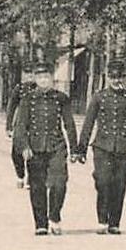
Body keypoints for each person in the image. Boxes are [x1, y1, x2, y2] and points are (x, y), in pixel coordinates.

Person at [77, 60, 126, 234]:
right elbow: (88, 123)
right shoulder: (99, 97)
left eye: (119, 77)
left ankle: (114, 223)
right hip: (102, 147)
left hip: (123, 149)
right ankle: (102, 220)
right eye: (113, 77)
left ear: (125, 78)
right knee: (103, 182)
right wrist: (81, 149)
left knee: (119, 185)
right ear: (108, 77)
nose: (116, 81)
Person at [12, 66, 78, 236]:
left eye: (47, 77)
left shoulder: (61, 98)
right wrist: (24, 147)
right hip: (35, 148)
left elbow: (69, 124)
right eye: (40, 77)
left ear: (52, 78)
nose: (43, 80)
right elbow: (20, 126)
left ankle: (54, 216)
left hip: (57, 146)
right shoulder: (27, 99)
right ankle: (40, 223)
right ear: (35, 79)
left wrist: (74, 149)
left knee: (59, 183)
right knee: (37, 186)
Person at [4, 77, 38, 188]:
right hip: (20, 124)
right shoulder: (20, 89)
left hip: (36, 125)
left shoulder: (42, 89)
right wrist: (8, 126)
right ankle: (20, 175)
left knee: (34, 153)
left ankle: (31, 178)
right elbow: (11, 107)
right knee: (16, 153)